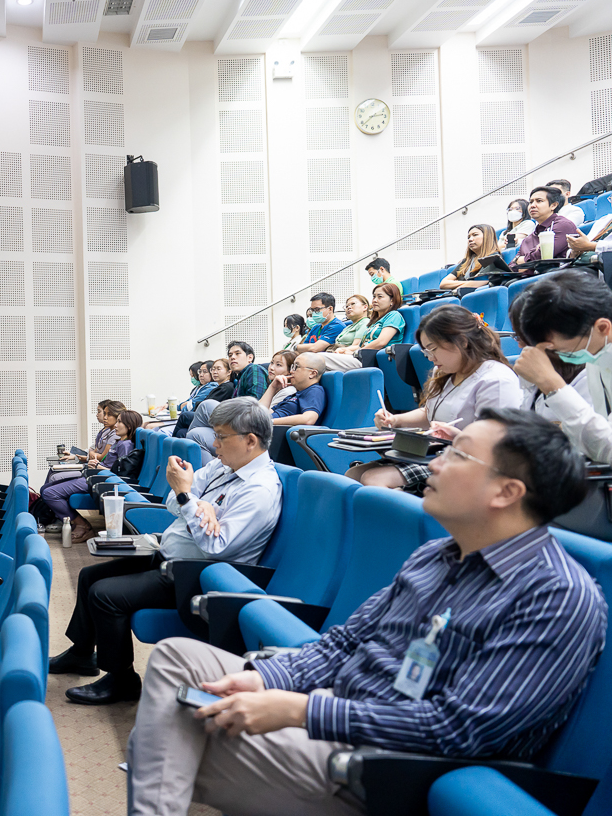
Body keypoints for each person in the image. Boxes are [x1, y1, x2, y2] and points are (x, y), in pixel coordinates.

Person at [126, 409, 605, 816]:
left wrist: (302, 710)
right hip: (340, 705)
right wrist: (268, 678)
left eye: (457, 454)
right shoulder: (437, 555)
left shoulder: (554, 595)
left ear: (506, 492)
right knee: (177, 660)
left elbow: (459, 729)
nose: (432, 464)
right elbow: (344, 643)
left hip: (387, 762)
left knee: (167, 738)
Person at [49, 398, 282, 706]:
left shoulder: (259, 489)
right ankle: (81, 654)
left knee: (105, 594)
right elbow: (172, 503)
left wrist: (188, 495)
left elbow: (215, 545)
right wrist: (198, 502)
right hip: (170, 557)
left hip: (198, 575)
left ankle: (122, 680)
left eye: (221, 437)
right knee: (91, 576)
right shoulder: (223, 466)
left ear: (250, 441)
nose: (214, 444)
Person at [347, 305, 522, 493]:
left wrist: (455, 436)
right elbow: (429, 413)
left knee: (374, 479)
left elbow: (495, 444)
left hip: (470, 462)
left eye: (432, 349)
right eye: (426, 352)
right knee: (353, 475)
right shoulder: (445, 371)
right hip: (437, 452)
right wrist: (395, 420)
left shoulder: (495, 379)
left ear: (462, 342)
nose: (430, 358)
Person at [512, 270, 612, 463]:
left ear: (602, 328)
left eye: (563, 350)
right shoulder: (598, 355)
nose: (560, 357)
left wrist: (553, 385)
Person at [41, 409, 141, 543]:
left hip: (100, 479)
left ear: (129, 426)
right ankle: (69, 521)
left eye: (119, 422)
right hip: (94, 474)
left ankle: (82, 525)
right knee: (44, 489)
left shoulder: (126, 445)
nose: (115, 425)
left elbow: (120, 474)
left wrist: (99, 467)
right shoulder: (119, 442)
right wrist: (97, 464)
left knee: (49, 493)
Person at [332, 283, 405, 368]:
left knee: (318, 360)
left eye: (380, 297)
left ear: (392, 300)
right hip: (363, 356)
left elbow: (381, 342)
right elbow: (361, 345)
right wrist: (346, 350)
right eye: (374, 297)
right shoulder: (373, 321)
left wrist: (356, 352)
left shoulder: (394, 315)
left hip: (374, 360)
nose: (374, 300)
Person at [511, 185, 579, 266]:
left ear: (553, 205)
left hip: (555, 276)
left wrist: (522, 260)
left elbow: (542, 256)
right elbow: (512, 265)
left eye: (539, 201)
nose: (532, 205)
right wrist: (522, 259)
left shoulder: (563, 225)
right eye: (531, 202)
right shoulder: (529, 239)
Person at [258, 352, 326, 427]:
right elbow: (260, 412)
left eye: (296, 367)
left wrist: (269, 422)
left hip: (273, 431)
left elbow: (308, 419)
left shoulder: (315, 390)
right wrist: (272, 387)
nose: (291, 371)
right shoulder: (294, 395)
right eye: (292, 367)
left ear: (312, 373)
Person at [174, 360, 235, 437]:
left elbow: (206, 405)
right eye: (213, 369)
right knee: (181, 432)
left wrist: (194, 404)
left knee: (185, 416)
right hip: (209, 417)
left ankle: (170, 446)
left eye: (218, 369)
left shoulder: (225, 388)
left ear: (229, 372)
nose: (215, 372)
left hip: (216, 421)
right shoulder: (220, 387)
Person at [321, 294, 372, 372]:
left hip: (352, 357)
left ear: (365, 307)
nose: (349, 307)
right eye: (347, 306)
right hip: (339, 354)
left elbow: (357, 346)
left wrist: (341, 350)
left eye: (353, 304)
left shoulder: (365, 322)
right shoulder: (348, 326)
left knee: (317, 358)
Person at [439, 224, 497, 291]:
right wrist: (468, 283)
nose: (470, 239)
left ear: (487, 237)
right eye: (468, 237)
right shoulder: (467, 261)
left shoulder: (493, 257)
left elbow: (481, 282)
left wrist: (456, 284)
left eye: (475, 235)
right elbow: (443, 283)